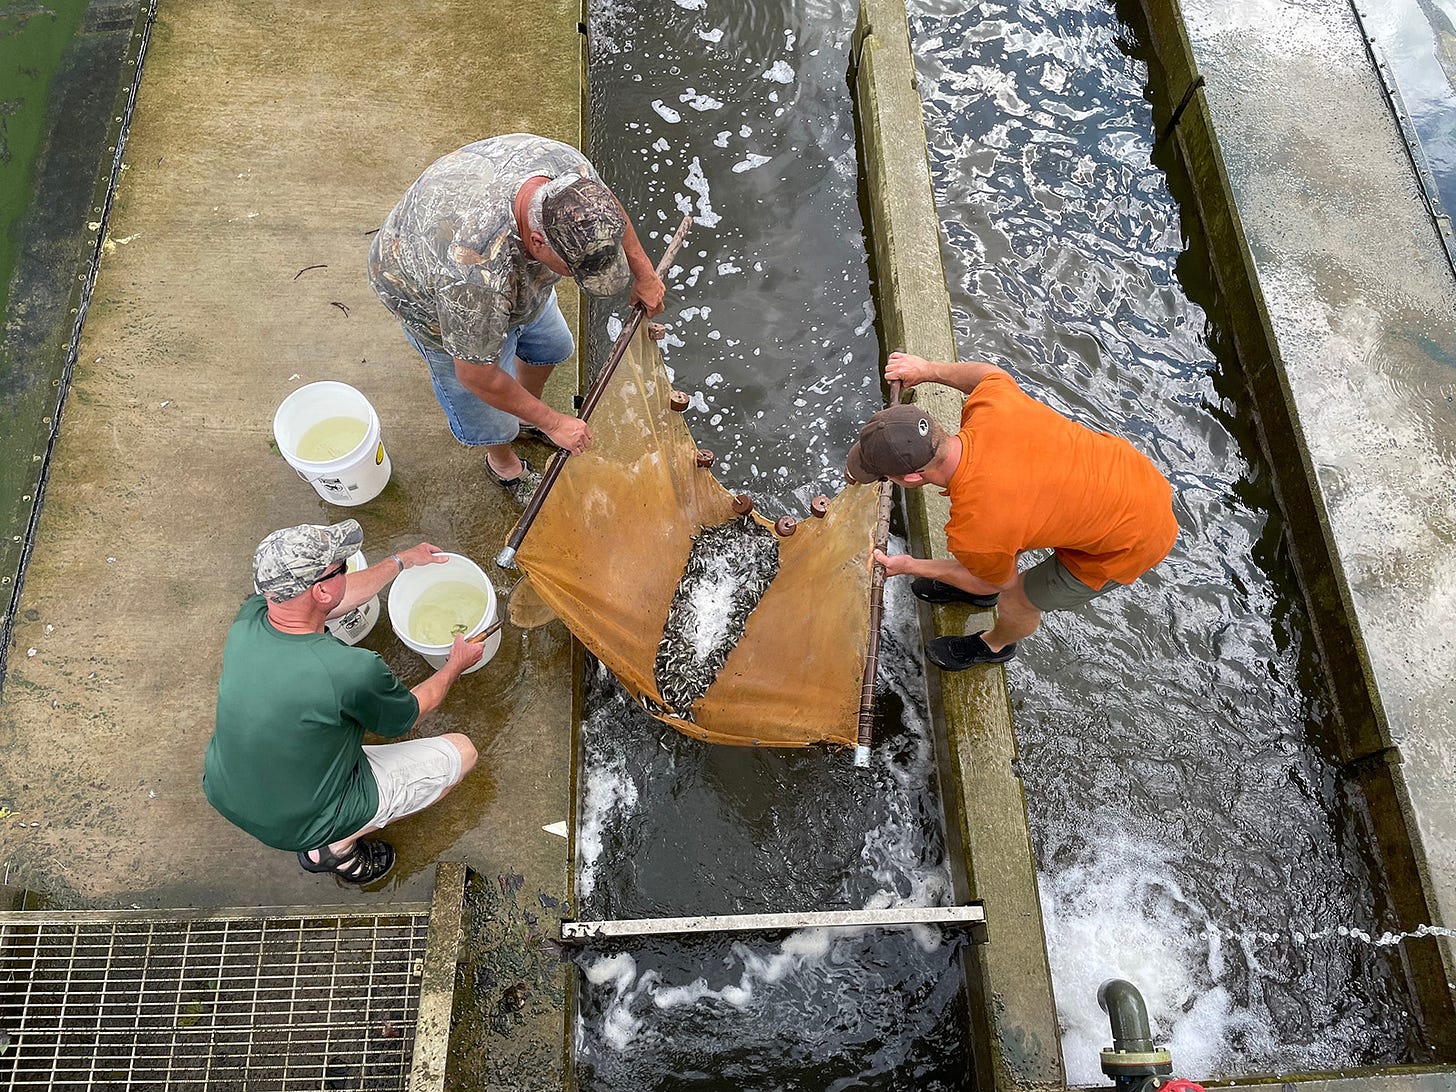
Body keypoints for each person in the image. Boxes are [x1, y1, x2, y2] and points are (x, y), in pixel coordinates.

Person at [368, 133, 666, 505]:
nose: (577, 278)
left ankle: (527, 415)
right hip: (428, 293)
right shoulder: (474, 277)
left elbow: (611, 214)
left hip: (502, 267)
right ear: (539, 242)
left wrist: (645, 274)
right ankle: (503, 462)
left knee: (553, 346)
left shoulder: (568, 176)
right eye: (574, 270)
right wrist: (554, 423)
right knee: (490, 415)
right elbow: (476, 375)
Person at [846, 352, 1178, 670]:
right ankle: (975, 586)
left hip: (1137, 536)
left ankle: (994, 646)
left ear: (914, 477)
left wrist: (910, 565)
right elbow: (989, 375)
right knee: (997, 548)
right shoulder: (991, 406)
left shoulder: (978, 529)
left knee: (1017, 598)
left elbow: (998, 583)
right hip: (1133, 474)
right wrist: (926, 369)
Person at [203, 520, 484, 884]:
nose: (348, 572)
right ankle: (334, 846)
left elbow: (337, 597)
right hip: (299, 820)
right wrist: (455, 664)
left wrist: (401, 561)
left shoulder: (250, 618)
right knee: (462, 753)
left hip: (228, 787)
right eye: (342, 568)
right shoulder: (350, 670)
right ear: (320, 592)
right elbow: (410, 713)